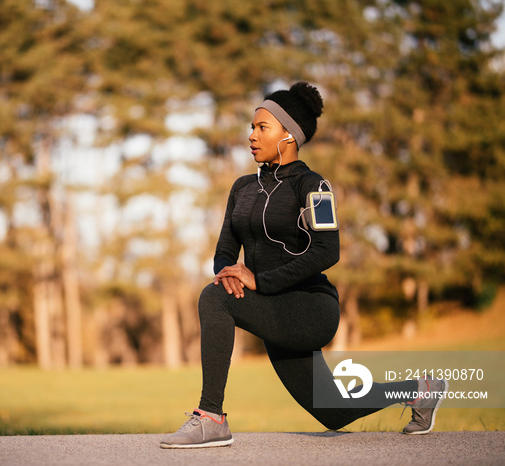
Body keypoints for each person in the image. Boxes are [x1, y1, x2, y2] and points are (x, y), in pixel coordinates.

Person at [160, 82, 448, 449]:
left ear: (289, 135)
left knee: (214, 299)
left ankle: (211, 418)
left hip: (311, 309)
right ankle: (422, 389)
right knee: (334, 410)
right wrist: (228, 273)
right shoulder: (242, 188)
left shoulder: (314, 187)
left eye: (262, 127)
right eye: (252, 127)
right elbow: (226, 247)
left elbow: (328, 250)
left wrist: (257, 281)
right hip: (274, 310)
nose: (251, 135)